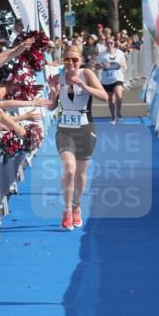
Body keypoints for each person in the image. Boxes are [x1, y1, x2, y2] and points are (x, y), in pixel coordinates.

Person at [47, 47, 107, 230]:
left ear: (80, 60)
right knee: (69, 170)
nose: (71, 63)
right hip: (65, 130)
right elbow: (51, 107)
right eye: (67, 60)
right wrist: (53, 91)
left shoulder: (86, 73)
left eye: (74, 59)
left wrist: (83, 86)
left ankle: (76, 206)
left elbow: (104, 96)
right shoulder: (58, 77)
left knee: (81, 173)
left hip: (85, 128)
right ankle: (66, 211)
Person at [95, 38, 127, 122]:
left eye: (111, 43)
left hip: (118, 77)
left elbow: (124, 62)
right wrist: (102, 66)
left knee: (118, 94)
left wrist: (121, 63)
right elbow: (96, 66)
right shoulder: (102, 55)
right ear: (105, 44)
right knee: (110, 99)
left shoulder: (119, 52)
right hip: (107, 79)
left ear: (114, 43)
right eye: (108, 43)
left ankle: (119, 113)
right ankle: (113, 115)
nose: (109, 44)